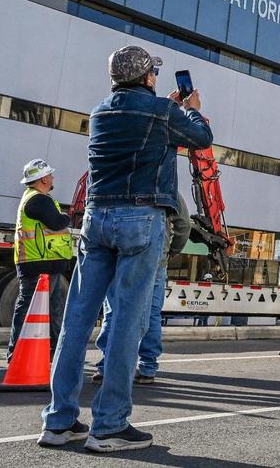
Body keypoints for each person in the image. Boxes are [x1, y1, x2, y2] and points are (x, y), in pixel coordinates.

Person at [40, 45, 213, 452]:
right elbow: (202, 138)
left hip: (96, 219)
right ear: (149, 77)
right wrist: (190, 108)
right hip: (140, 219)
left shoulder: (102, 111)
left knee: (77, 322)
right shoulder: (163, 113)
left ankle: (59, 421)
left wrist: (167, 110)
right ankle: (109, 425)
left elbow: (146, 127)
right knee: (125, 323)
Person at [91, 193, 190, 384]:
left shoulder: (121, 180)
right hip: (155, 260)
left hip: (119, 258)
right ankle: (147, 367)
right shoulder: (168, 188)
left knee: (113, 310)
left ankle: (106, 366)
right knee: (152, 314)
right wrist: (170, 252)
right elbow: (184, 225)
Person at [7, 158, 73, 362]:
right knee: (31, 308)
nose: (53, 177)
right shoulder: (39, 200)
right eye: (50, 174)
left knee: (52, 309)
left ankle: (51, 353)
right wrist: (66, 217)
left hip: (40, 263)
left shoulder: (32, 198)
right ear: (43, 178)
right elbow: (57, 222)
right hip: (41, 263)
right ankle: (18, 353)